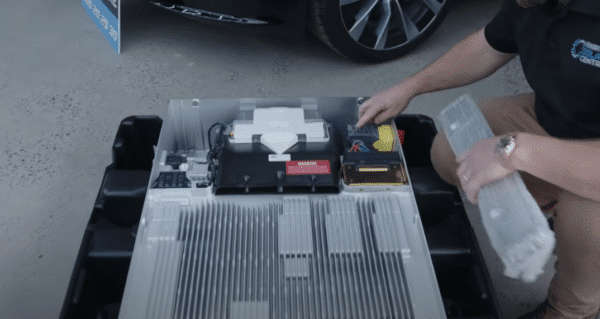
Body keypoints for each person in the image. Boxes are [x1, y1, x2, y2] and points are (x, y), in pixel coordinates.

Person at [356, 0, 600, 318]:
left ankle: (570, 308)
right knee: (451, 151)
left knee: (585, 229)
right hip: (556, 120)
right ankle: (549, 205)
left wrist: (514, 150)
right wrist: (409, 87)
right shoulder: (532, 2)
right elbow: (487, 46)